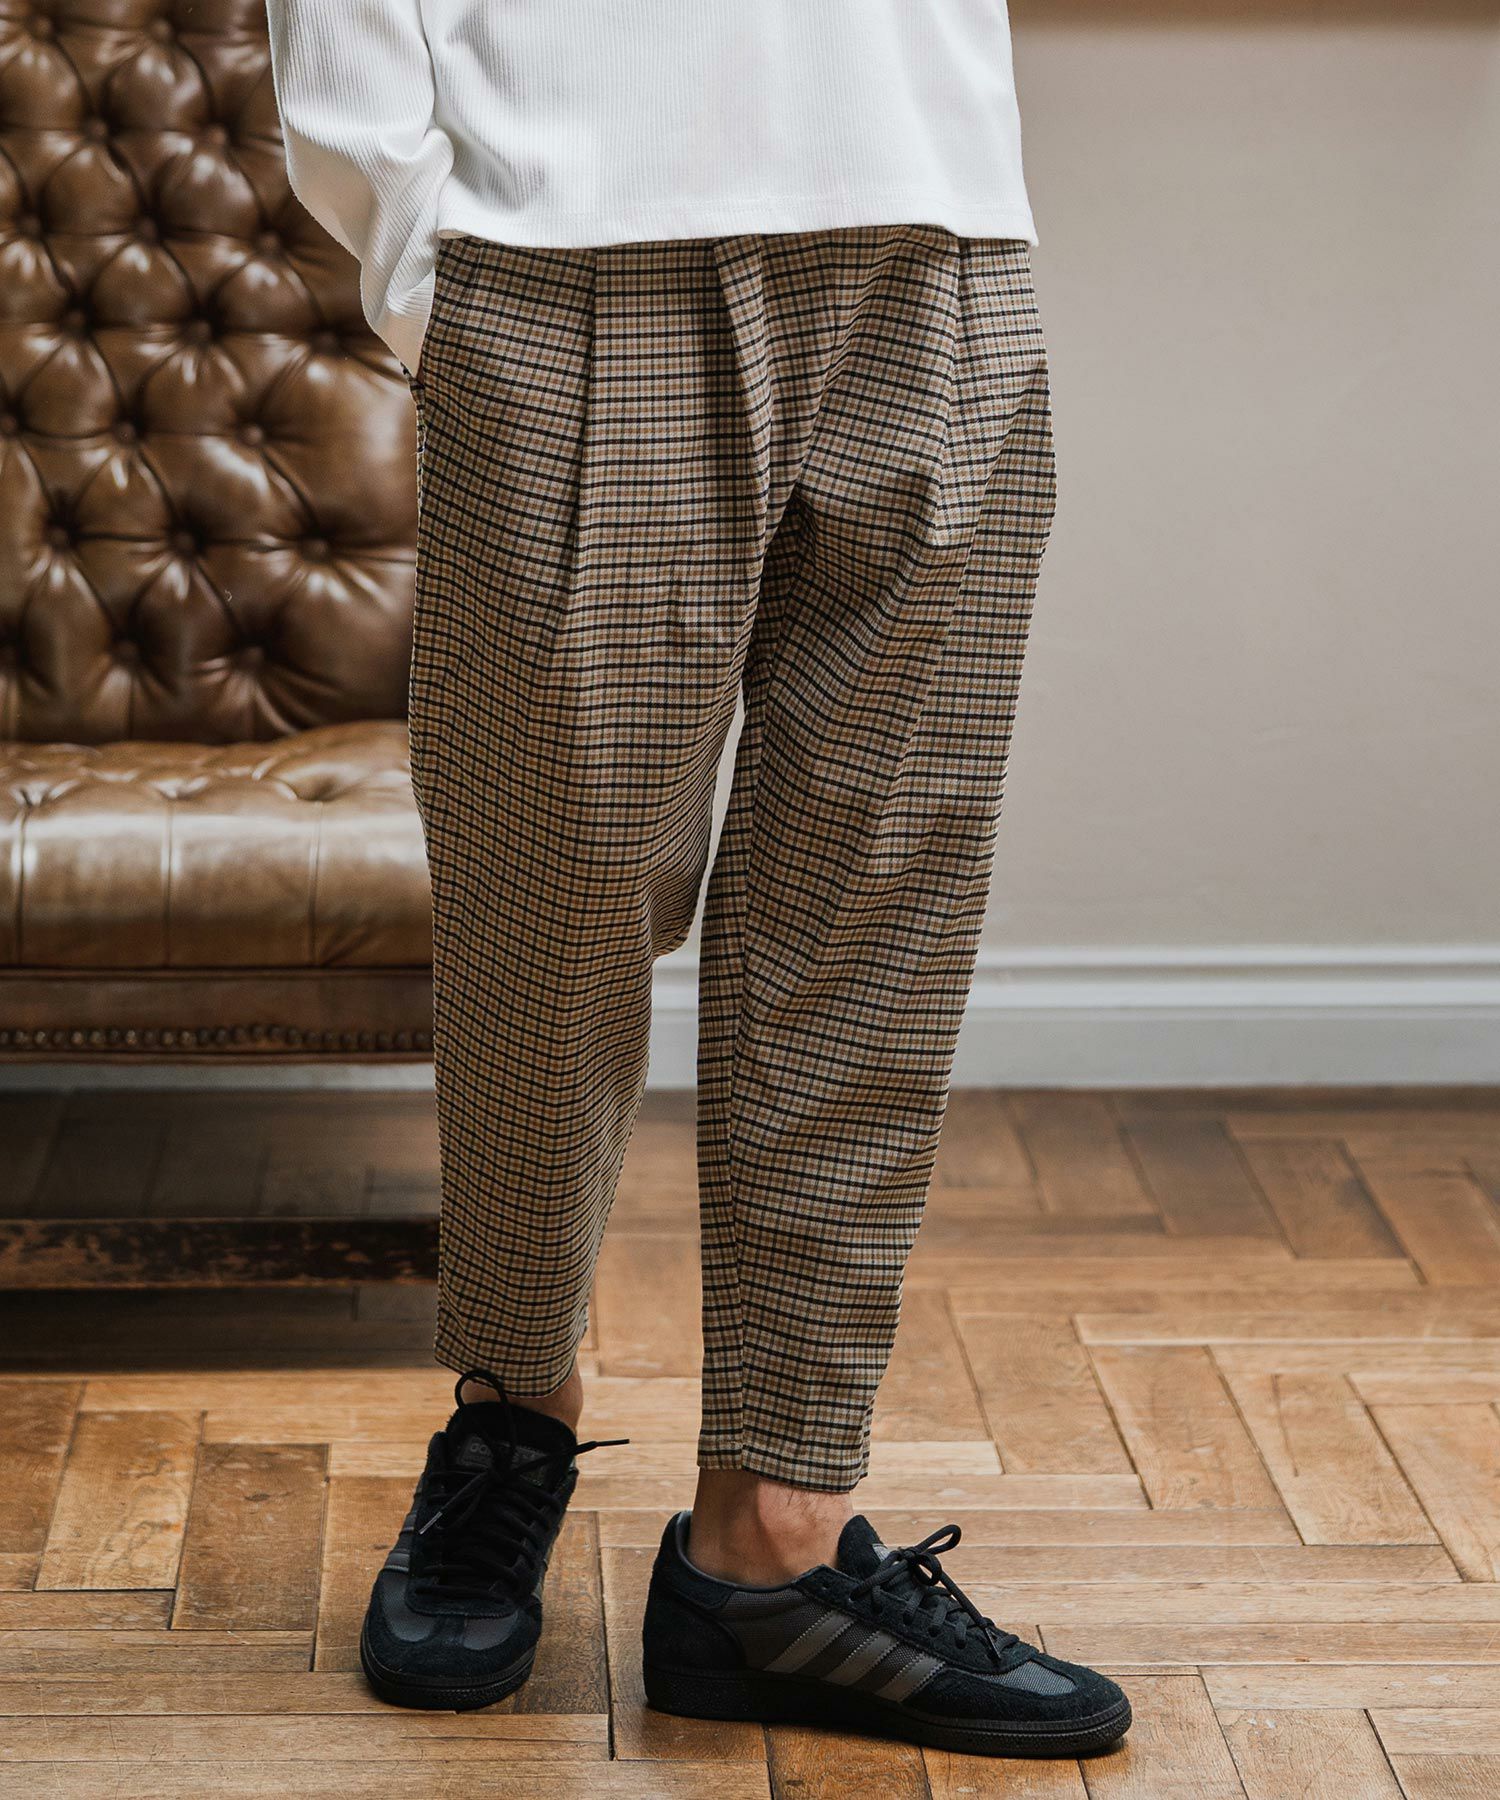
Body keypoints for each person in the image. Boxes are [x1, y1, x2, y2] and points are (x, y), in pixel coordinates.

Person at [266, 0, 1130, 1759]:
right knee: (551, 908)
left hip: (937, 231)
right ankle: (513, 1414)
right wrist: (427, 252)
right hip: (569, 241)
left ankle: (775, 1539)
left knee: (868, 933)